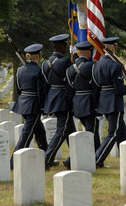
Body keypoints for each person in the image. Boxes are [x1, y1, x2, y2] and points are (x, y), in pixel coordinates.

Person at [92, 37, 126, 168]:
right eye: (115, 47)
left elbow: (96, 87)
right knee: (113, 133)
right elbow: (120, 89)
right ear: (112, 48)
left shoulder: (96, 65)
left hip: (103, 103)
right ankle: (97, 159)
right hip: (114, 103)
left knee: (121, 132)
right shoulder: (115, 66)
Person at [10, 43, 48, 170]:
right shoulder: (39, 71)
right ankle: (13, 162)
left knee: (40, 131)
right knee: (27, 133)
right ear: (37, 57)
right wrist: (43, 107)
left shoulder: (20, 70)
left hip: (23, 104)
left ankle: (47, 157)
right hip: (34, 105)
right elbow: (40, 91)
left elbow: (19, 89)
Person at [42, 33, 76, 170]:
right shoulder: (65, 62)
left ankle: (73, 159)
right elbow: (72, 75)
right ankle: (46, 158)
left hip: (52, 98)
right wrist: (76, 56)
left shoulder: (45, 64)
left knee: (71, 131)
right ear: (63, 48)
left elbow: (45, 84)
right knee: (62, 130)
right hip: (63, 98)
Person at [66, 40, 101, 152]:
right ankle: (73, 160)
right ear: (89, 53)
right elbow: (96, 88)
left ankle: (97, 158)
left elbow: (69, 90)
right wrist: (97, 105)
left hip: (77, 103)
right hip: (89, 103)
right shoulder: (93, 66)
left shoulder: (70, 69)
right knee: (91, 133)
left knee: (91, 132)